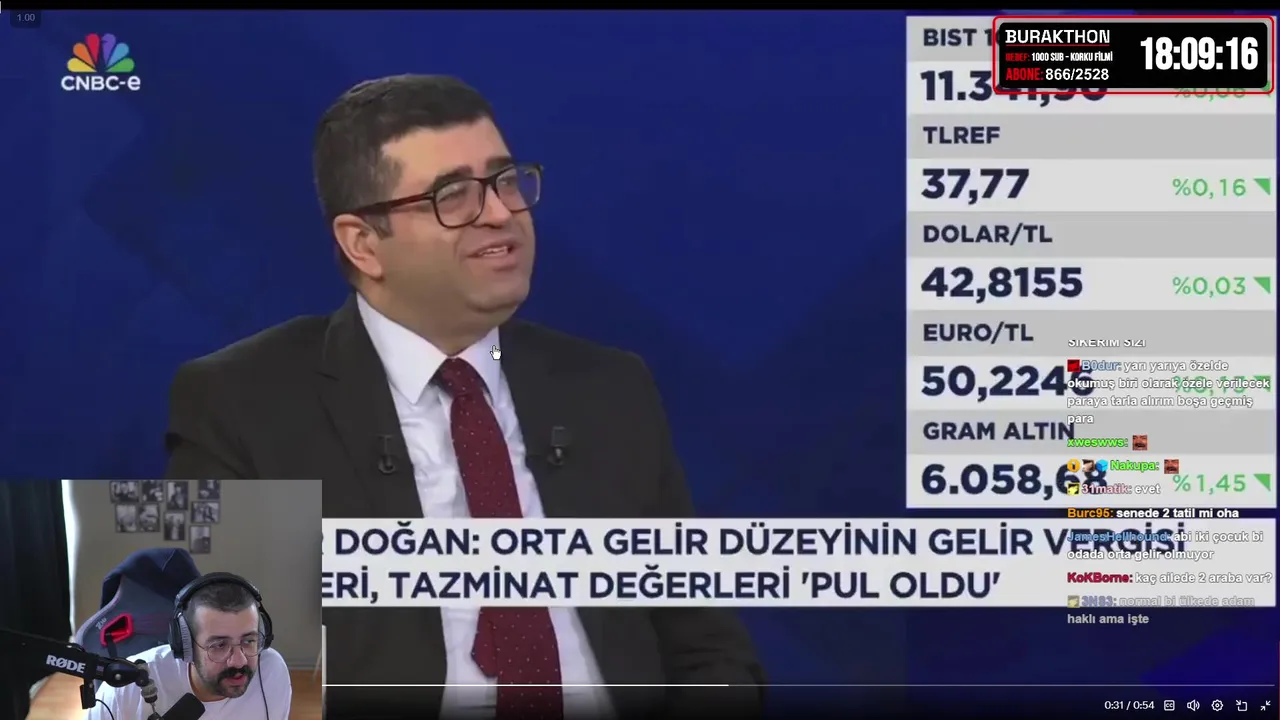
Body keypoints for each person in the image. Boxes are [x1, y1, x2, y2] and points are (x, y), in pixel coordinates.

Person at [163, 74, 763, 718]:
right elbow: (222, 674)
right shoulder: (240, 404)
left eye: (506, 181)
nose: (501, 212)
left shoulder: (610, 389)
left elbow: (711, 652)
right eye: (453, 196)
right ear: (363, 243)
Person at [88, 573, 291, 719]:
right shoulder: (125, 691)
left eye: (248, 641)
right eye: (220, 645)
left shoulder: (272, 673)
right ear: (186, 647)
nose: (239, 661)